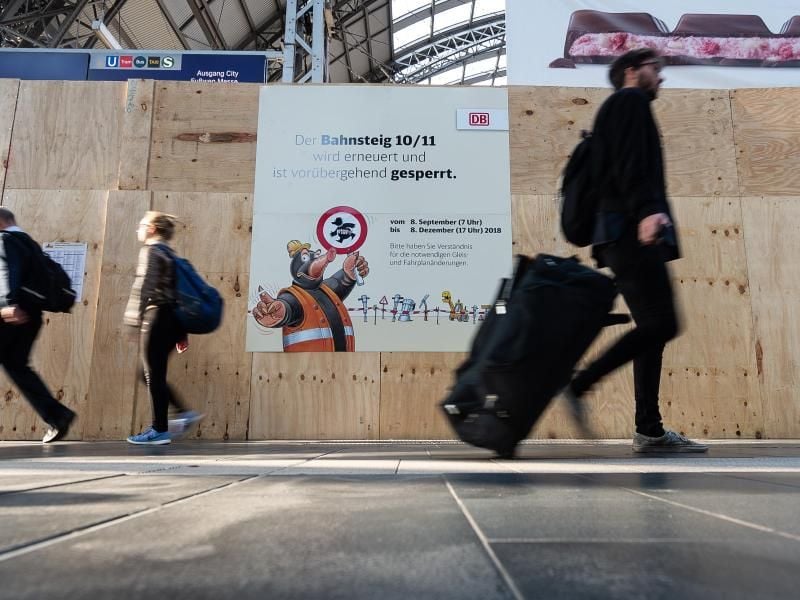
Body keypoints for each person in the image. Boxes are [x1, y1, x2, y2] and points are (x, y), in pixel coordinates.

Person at [565, 49, 708, 453]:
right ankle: (581, 383)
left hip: (622, 235)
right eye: (654, 70)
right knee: (662, 325)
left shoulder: (621, 107)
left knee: (654, 331)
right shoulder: (628, 102)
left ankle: (649, 429)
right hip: (629, 232)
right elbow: (632, 166)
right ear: (632, 72)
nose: (660, 78)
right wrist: (647, 213)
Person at [124, 211, 202, 445]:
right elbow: (179, 296)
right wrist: (181, 332)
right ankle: (181, 413)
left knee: (152, 374)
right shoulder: (171, 254)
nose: (138, 228)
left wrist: (134, 319)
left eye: (141, 224)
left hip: (156, 317)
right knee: (150, 373)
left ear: (152, 229)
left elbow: (146, 287)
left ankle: (160, 429)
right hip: (172, 319)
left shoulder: (152, 251)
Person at [0, 208, 76, 443]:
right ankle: (57, 415)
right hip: (32, 316)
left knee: (17, 366)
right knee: (18, 366)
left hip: (12, 313)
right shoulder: (30, 244)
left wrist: (8, 302)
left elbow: (6, 270)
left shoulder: (5, 240)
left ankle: (57, 415)